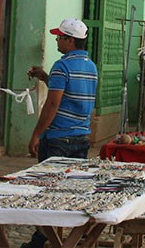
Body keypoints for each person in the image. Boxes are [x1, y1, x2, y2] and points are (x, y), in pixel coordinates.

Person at [22, 18, 98, 248]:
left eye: (60, 37)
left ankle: (41, 239)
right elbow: (72, 93)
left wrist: (36, 134)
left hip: (58, 139)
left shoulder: (62, 65)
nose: (57, 40)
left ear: (71, 40)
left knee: (48, 191)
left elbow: (53, 105)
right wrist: (45, 77)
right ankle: (63, 238)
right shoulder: (90, 67)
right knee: (71, 190)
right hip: (81, 137)